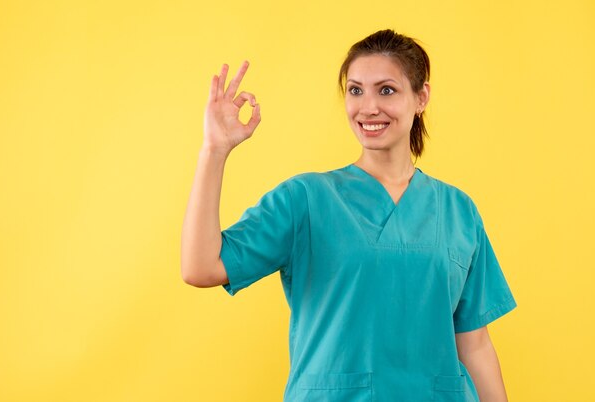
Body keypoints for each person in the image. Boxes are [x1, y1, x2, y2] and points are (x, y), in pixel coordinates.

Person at [181, 29, 517, 402]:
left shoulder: (458, 211)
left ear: (421, 97)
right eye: (356, 90)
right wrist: (214, 150)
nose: (368, 107)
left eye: (386, 90)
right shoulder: (305, 199)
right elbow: (201, 267)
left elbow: (474, 345)